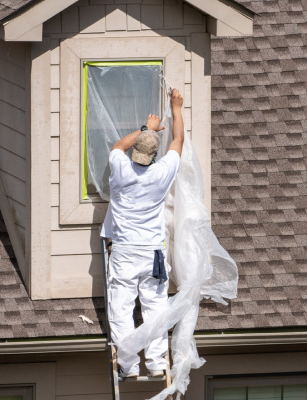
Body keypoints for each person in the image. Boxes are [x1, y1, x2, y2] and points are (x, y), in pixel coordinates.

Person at [100, 88, 185, 379]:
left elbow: (116, 146)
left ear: (137, 150)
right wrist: (176, 108)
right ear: (154, 155)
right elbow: (178, 141)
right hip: (152, 253)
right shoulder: (161, 174)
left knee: (122, 308)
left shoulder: (120, 169)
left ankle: (127, 365)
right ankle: (158, 363)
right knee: (155, 308)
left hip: (124, 251)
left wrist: (145, 128)